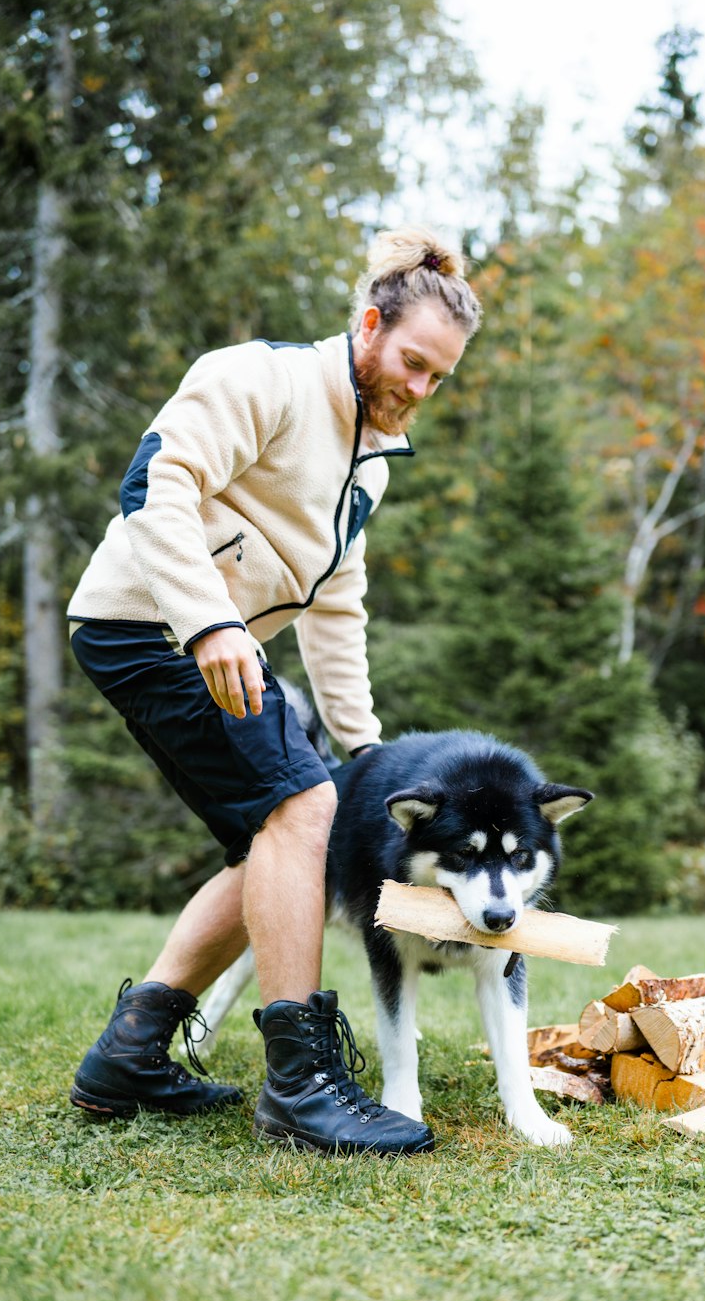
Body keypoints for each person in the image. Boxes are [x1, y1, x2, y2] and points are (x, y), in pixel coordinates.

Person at [65, 226, 482, 1155]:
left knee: (282, 830)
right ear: (370, 325)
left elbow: (338, 604)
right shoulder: (265, 379)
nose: (420, 389)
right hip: (147, 625)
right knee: (300, 806)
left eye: (439, 379)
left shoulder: (367, 462)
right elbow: (155, 482)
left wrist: (365, 746)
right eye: (412, 362)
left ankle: (128, 1057)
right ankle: (299, 1087)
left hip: (205, 641)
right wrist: (209, 622)